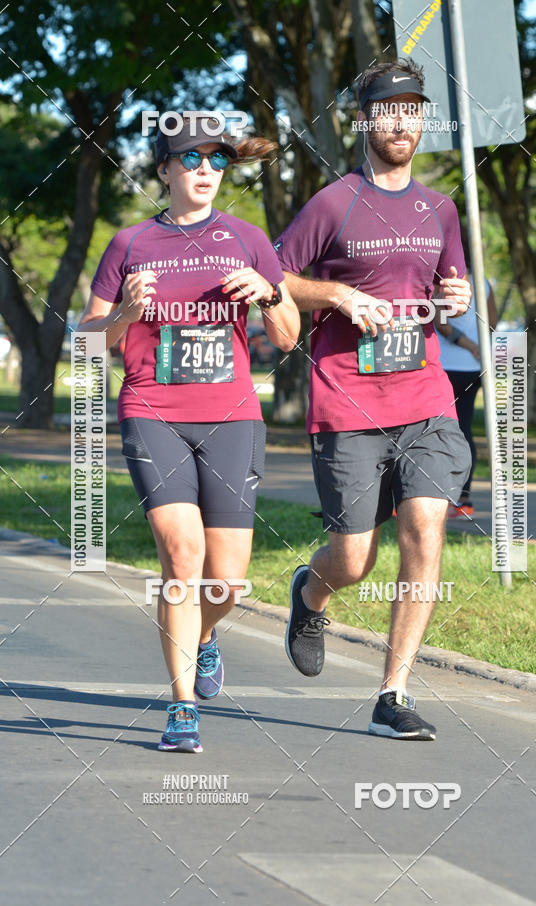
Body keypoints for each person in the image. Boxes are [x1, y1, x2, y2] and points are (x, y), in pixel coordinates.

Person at [78, 114, 300, 753]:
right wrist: (125, 313)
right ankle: (180, 709)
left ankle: (205, 637)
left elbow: (286, 338)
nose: (206, 170)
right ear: (164, 170)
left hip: (232, 418)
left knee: (227, 580)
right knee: (182, 555)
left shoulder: (249, 238)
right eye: (192, 159)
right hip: (152, 413)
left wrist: (266, 293)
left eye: (218, 161)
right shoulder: (128, 244)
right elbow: (88, 346)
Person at [274, 60, 472, 740]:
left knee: (425, 528)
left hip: (425, 398)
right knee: (355, 558)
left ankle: (394, 691)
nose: (402, 123)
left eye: (414, 110)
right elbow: (273, 278)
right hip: (348, 406)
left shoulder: (440, 210)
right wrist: (336, 294)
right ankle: (311, 591)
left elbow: (450, 292)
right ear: (365, 121)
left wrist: (459, 299)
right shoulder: (332, 204)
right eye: (390, 110)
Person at [437, 228, 498, 518]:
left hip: (448, 367)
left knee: (441, 432)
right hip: (474, 368)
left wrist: (468, 344)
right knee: (464, 430)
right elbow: (493, 324)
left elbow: (442, 324)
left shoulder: (446, 285)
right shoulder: (483, 284)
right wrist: (478, 346)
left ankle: (451, 497)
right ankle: (463, 497)